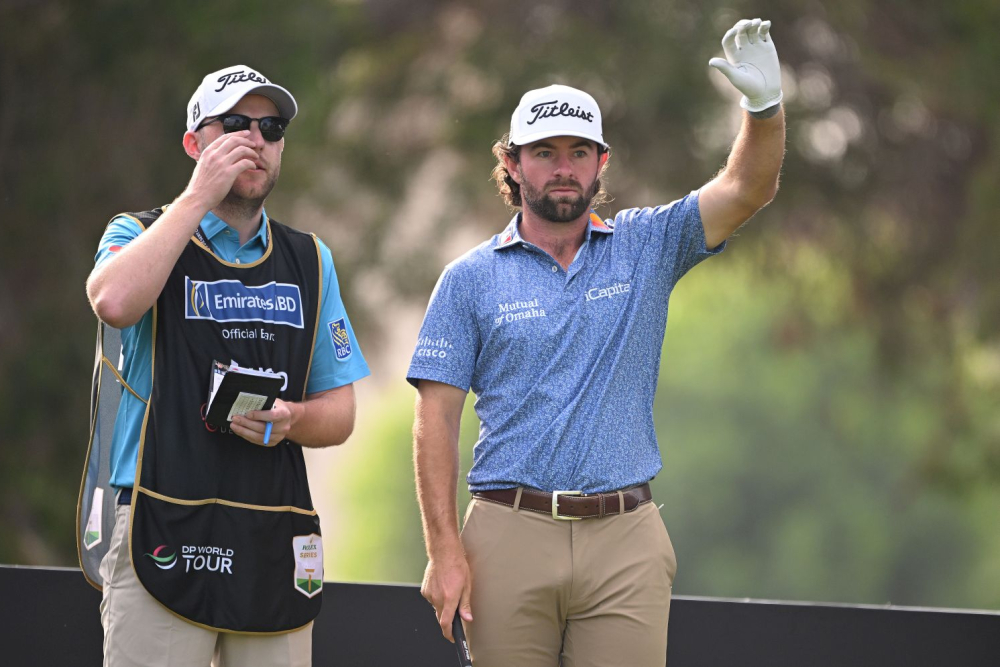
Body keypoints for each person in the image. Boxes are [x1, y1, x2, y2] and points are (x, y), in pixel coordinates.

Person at [408, 18, 785, 667]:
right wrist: (444, 550)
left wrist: (765, 111)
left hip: (624, 536)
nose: (563, 168)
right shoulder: (468, 279)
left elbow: (747, 189)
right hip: (507, 528)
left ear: (601, 162)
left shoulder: (646, 245)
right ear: (511, 162)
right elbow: (434, 419)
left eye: (579, 151)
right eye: (545, 151)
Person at [80, 65, 370, 667]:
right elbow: (112, 301)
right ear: (194, 143)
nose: (255, 139)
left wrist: (291, 418)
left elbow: (340, 414)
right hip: (162, 519)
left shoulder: (310, 258)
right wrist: (197, 197)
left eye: (271, 127)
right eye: (235, 123)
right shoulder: (139, 231)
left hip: (271, 528)